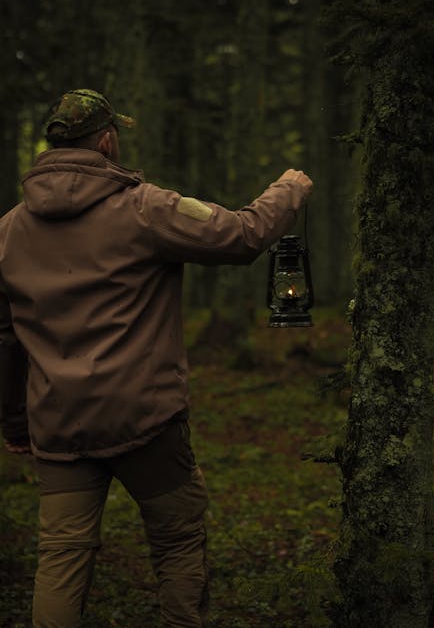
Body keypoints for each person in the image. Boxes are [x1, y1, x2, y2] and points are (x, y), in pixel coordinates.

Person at [0, 88, 313, 627]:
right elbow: (242, 235)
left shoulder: (8, 231)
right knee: (177, 544)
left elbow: (5, 336)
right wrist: (289, 188)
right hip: (146, 422)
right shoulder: (146, 208)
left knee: (60, 560)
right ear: (106, 140)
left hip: (57, 425)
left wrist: (13, 420)